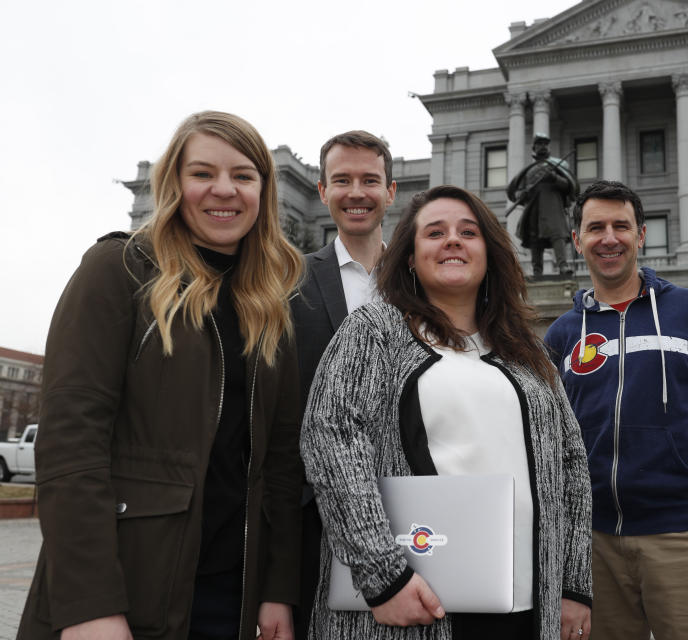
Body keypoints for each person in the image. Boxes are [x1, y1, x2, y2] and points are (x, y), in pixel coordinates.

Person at [17, 111, 304, 640]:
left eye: (243, 175)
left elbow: (282, 464)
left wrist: (278, 588)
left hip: (233, 598)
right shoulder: (118, 269)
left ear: (263, 191)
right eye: (202, 174)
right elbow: (71, 442)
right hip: (128, 586)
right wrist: (88, 604)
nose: (224, 189)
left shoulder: (269, 306)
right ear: (175, 183)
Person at [299, 184, 593, 639]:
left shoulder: (528, 351)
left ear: (490, 254)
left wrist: (574, 584)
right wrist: (384, 576)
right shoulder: (376, 330)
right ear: (411, 258)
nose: (453, 240)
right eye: (435, 233)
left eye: (468, 232)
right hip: (412, 605)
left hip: (526, 606)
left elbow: (571, 463)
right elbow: (331, 437)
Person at [544, 180, 688, 640]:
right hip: (594, 544)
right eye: (595, 228)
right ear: (577, 240)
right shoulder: (563, 334)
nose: (609, 238)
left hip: (686, 537)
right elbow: (548, 439)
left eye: (620, 226)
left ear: (641, 235)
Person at [291, 129, 396, 638]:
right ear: (322, 191)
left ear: (390, 192)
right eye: (343, 180)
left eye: (370, 180)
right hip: (319, 512)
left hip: (416, 504)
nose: (357, 192)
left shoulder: (426, 280)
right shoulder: (290, 283)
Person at [507, 134, 579, 278]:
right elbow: (517, 192)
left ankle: (563, 266)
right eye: (539, 144)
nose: (542, 146)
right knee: (535, 240)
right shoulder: (529, 171)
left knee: (557, 235)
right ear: (534, 148)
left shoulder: (557, 166)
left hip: (553, 207)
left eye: (545, 144)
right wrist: (521, 195)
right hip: (534, 208)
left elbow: (569, 187)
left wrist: (554, 178)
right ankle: (537, 271)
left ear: (549, 147)